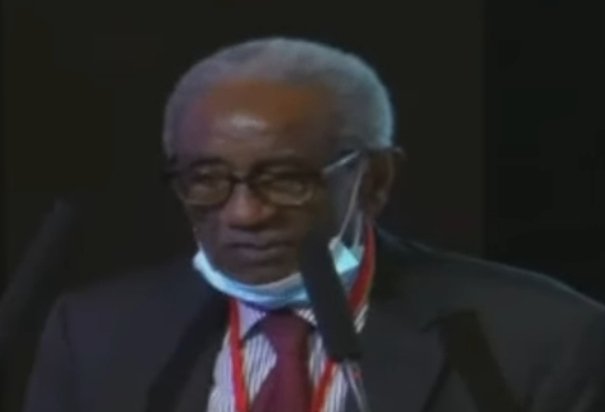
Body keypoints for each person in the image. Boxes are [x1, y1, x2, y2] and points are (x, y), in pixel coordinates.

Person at [24, 37, 604, 412]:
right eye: (206, 179)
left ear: (374, 180)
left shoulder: (540, 341)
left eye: (286, 179)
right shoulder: (93, 334)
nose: (244, 214)